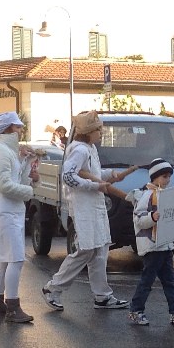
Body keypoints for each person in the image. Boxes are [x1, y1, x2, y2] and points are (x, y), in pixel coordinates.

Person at [41, 111, 138, 312]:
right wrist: (94, 186)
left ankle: (102, 296)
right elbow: (67, 176)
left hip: (95, 205)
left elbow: (93, 174)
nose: (101, 133)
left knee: (100, 250)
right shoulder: (79, 151)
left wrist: (111, 175)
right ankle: (53, 288)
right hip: (83, 207)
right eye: (98, 130)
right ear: (88, 132)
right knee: (86, 250)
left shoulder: (90, 148)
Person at [128, 159, 174, 327]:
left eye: (169, 177)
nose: (168, 180)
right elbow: (138, 220)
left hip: (165, 245)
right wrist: (152, 217)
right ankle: (136, 310)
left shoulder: (165, 195)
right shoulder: (146, 196)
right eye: (165, 176)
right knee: (148, 281)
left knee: (169, 281)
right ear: (155, 177)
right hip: (152, 246)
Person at [0, 111, 38, 324]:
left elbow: (15, 179)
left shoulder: (6, 150)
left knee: (5, 260)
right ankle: (13, 307)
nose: (20, 130)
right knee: (15, 259)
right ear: (7, 129)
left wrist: (27, 164)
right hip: (5, 208)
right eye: (17, 127)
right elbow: (5, 186)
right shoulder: (0, 151)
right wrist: (30, 192)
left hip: (9, 209)